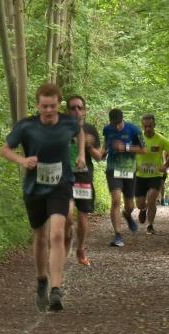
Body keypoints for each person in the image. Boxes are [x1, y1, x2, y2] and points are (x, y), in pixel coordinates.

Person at [0, 83, 85, 312]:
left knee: (57, 233)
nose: (49, 110)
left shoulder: (68, 122)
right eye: (45, 106)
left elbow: (80, 133)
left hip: (61, 184)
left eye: (53, 106)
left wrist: (82, 154)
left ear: (59, 105)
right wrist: (22, 161)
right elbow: (5, 149)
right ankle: (41, 280)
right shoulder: (26, 126)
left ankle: (56, 289)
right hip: (34, 187)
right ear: (38, 105)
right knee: (40, 236)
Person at [65, 95, 102, 266]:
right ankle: (66, 242)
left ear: (84, 111)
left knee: (82, 216)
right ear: (67, 111)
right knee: (67, 217)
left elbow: (99, 157)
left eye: (79, 107)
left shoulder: (90, 130)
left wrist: (89, 146)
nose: (76, 111)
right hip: (65, 177)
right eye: (72, 108)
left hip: (84, 177)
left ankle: (80, 248)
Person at [101, 108, 146, 246]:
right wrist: (103, 152)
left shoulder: (134, 130)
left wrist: (125, 147)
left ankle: (127, 214)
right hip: (113, 168)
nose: (116, 126)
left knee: (130, 205)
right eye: (114, 124)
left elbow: (143, 149)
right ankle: (118, 235)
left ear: (122, 119)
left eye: (118, 124)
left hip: (128, 169)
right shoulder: (107, 129)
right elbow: (106, 143)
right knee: (115, 200)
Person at [134, 114, 169, 234]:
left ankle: (150, 225)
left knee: (152, 199)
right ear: (142, 126)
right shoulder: (139, 138)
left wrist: (165, 165)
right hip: (140, 175)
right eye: (145, 126)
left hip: (155, 175)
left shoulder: (160, 139)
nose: (147, 129)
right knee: (140, 203)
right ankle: (143, 209)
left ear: (154, 125)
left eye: (150, 126)